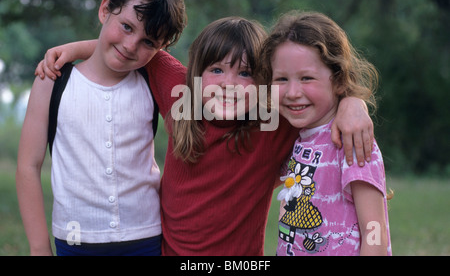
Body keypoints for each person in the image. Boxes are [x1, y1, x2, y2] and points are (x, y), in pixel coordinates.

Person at [36, 16, 374, 255]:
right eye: (216, 70)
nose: (228, 84)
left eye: (245, 73)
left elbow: (317, 98)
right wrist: (73, 49)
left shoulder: (272, 120)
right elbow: (131, 50)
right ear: (196, 75)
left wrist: (352, 103)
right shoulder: (180, 93)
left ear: (263, 84)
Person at [16, 0, 187, 256]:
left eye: (149, 42)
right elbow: (28, 166)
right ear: (105, 9)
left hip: (146, 239)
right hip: (74, 242)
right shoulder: (52, 81)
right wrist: (38, 247)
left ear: (161, 49)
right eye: (127, 27)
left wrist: (80, 46)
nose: (131, 45)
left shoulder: (152, 81)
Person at [259, 11, 391, 255]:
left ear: (339, 81)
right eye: (281, 79)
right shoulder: (296, 137)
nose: (292, 92)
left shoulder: (352, 140)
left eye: (306, 78)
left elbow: (375, 234)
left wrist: (354, 103)